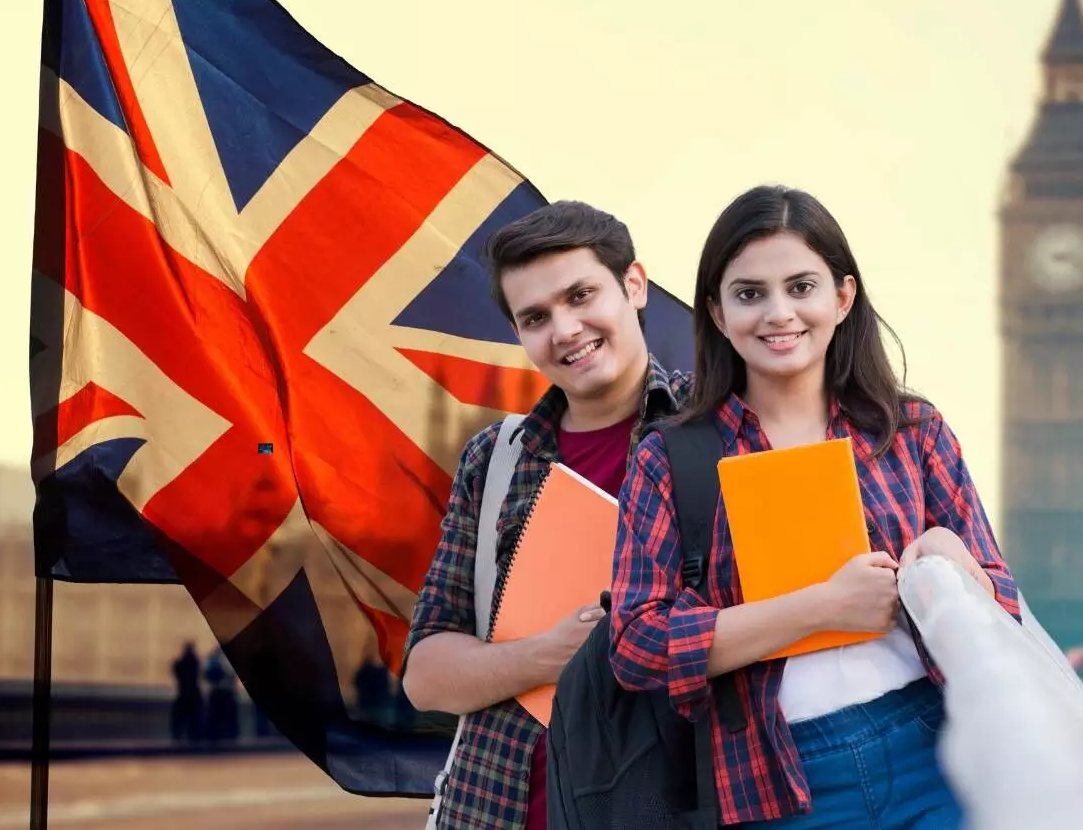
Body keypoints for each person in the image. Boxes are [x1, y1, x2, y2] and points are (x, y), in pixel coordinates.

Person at [608, 185, 1021, 829]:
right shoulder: (671, 458)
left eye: (802, 286)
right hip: (777, 777)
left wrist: (951, 559)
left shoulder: (911, 431)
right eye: (750, 294)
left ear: (843, 297)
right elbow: (637, 644)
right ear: (716, 313)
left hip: (933, 748)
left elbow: (1003, 605)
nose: (779, 313)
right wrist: (820, 609)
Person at [402, 201, 692, 829]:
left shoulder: (718, 430)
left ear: (633, 286)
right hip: (493, 809)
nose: (564, 329)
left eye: (581, 295)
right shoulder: (496, 457)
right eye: (536, 317)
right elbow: (425, 675)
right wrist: (545, 656)